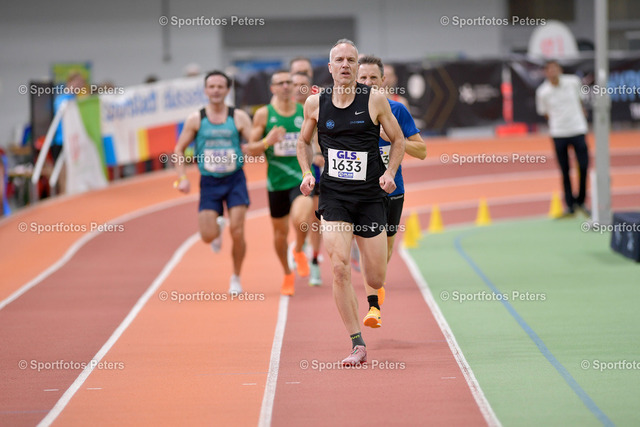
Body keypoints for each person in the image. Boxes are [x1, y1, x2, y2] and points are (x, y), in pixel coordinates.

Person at [297, 39, 405, 365]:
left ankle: (372, 282)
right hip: (335, 196)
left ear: (357, 67)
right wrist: (306, 172)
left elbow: (398, 140)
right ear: (330, 67)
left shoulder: (375, 100)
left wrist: (390, 172)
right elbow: (303, 142)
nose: (345, 65)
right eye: (339, 60)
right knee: (339, 267)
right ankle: (357, 343)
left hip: (370, 196)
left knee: (375, 278)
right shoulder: (315, 103)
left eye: (351, 60)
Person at [356, 55, 426, 329]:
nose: (368, 82)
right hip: (362, 192)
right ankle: (373, 306)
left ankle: (376, 281)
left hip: (393, 191)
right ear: (355, 79)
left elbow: (422, 151)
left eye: (373, 77)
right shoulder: (346, 112)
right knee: (368, 247)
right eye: (363, 77)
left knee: (384, 251)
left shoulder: (397, 110)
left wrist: (395, 141)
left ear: (383, 80)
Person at [174, 70, 252, 295]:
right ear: (205, 90)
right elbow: (179, 149)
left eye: (220, 87)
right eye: (212, 87)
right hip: (209, 182)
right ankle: (216, 229)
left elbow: (254, 142)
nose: (216, 90)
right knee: (207, 236)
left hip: (235, 179)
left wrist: (255, 146)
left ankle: (236, 277)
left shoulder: (238, 117)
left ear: (227, 90)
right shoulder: (196, 119)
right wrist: (182, 178)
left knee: (237, 230)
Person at [248, 70, 314, 296]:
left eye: (289, 82)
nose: (286, 86)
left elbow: (314, 140)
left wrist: (318, 154)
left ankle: (299, 249)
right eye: (281, 83)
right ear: (272, 88)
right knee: (279, 234)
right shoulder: (264, 114)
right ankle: (287, 273)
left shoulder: (304, 110)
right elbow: (251, 149)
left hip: (301, 177)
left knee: (302, 219)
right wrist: (267, 141)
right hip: (276, 183)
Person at [535, 60, 590, 216]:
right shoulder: (542, 92)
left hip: (578, 129)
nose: (553, 72)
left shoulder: (573, 82)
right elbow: (544, 112)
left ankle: (581, 201)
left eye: (555, 69)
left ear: (560, 69)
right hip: (558, 133)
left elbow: (581, 100)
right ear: (546, 73)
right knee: (565, 170)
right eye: (549, 70)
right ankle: (570, 205)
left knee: (583, 166)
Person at [292, 71, 323, 286]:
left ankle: (314, 261)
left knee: (315, 219)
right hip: (289, 172)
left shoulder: (317, 104)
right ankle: (299, 245)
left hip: (314, 171)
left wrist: (319, 153)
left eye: (303, 84)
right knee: (300, 219)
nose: (298, 88)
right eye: (295, 84)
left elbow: (319, 135)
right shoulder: (282, 109)